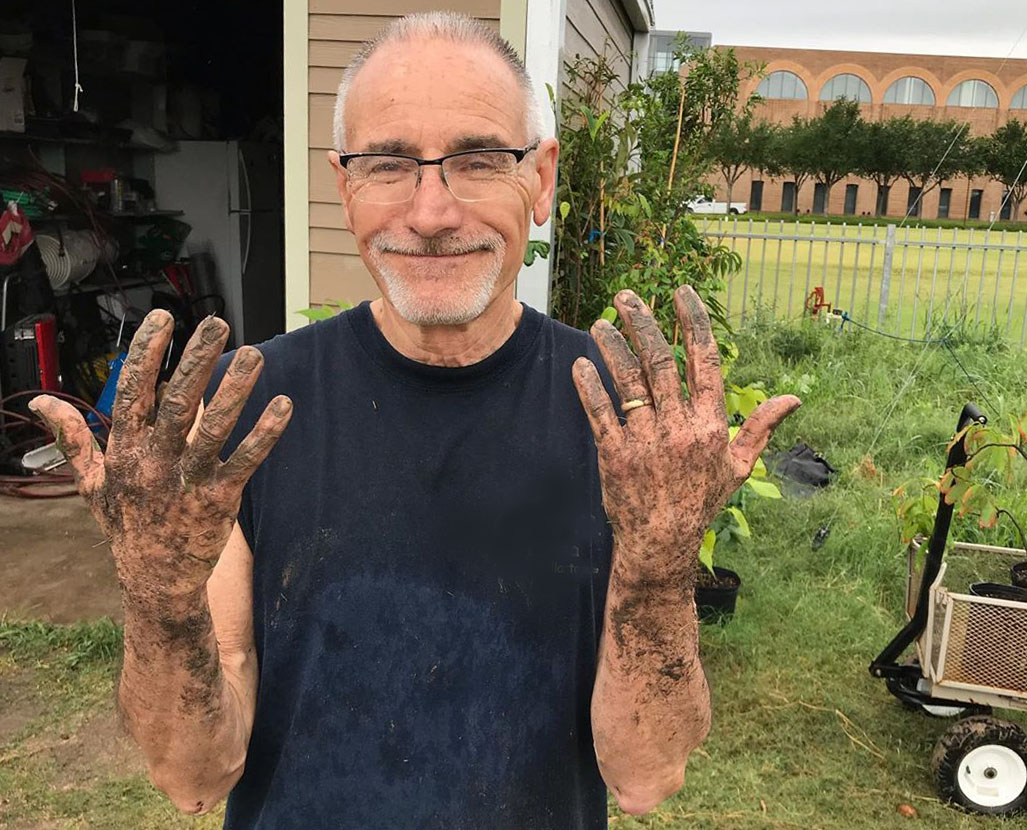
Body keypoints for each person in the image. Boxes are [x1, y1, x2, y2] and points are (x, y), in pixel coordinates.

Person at [27, 12, 800, 830]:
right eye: (389, 164)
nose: (430, 214)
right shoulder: (241, 418)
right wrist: (158, 595)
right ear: (343, 184)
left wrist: (659, 562)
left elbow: (644, 777)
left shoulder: (623, 423)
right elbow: (193, 777)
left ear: (539, 180)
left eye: (478, 160)